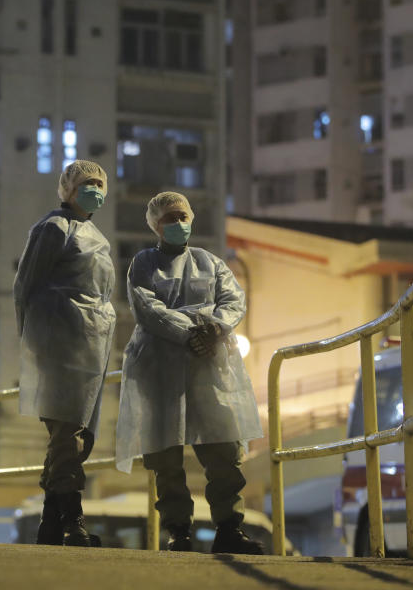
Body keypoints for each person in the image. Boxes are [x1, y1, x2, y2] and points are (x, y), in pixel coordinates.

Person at [115, 191, 264, 554]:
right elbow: (147, 307)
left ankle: (230, 527)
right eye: (169, 218)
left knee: (223, 448)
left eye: (183, 216)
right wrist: (193, 333)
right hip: (161, 367)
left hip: (208, 367)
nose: (178, 223)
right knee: (165, 454)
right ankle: (177, 531)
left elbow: (234, 299)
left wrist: (216, 327)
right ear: (155, 224)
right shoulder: (143, 263)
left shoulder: (210, 263)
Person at [14, 160, 117, 547]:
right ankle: (72, 520)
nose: (93, 189)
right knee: (66, 434)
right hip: (59, 343)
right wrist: (32, 341)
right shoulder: (53, 228)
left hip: (91, 347)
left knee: (76, 437)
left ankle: (50, 522)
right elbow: (26, 285)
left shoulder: (97, 236)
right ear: (67, 190)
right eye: (85, 183)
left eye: (98, 183)